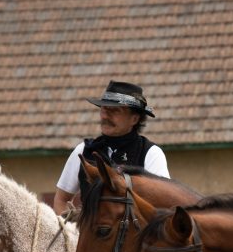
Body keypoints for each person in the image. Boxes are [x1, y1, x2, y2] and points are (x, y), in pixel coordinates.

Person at [54, 80, 169, 215]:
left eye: (114, 110)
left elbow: (162, 205)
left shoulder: (151, 154)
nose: (105, 116)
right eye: (104, 109)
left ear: (134, 119)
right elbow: (61, 199)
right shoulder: (83, 150)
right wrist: (71, 232)